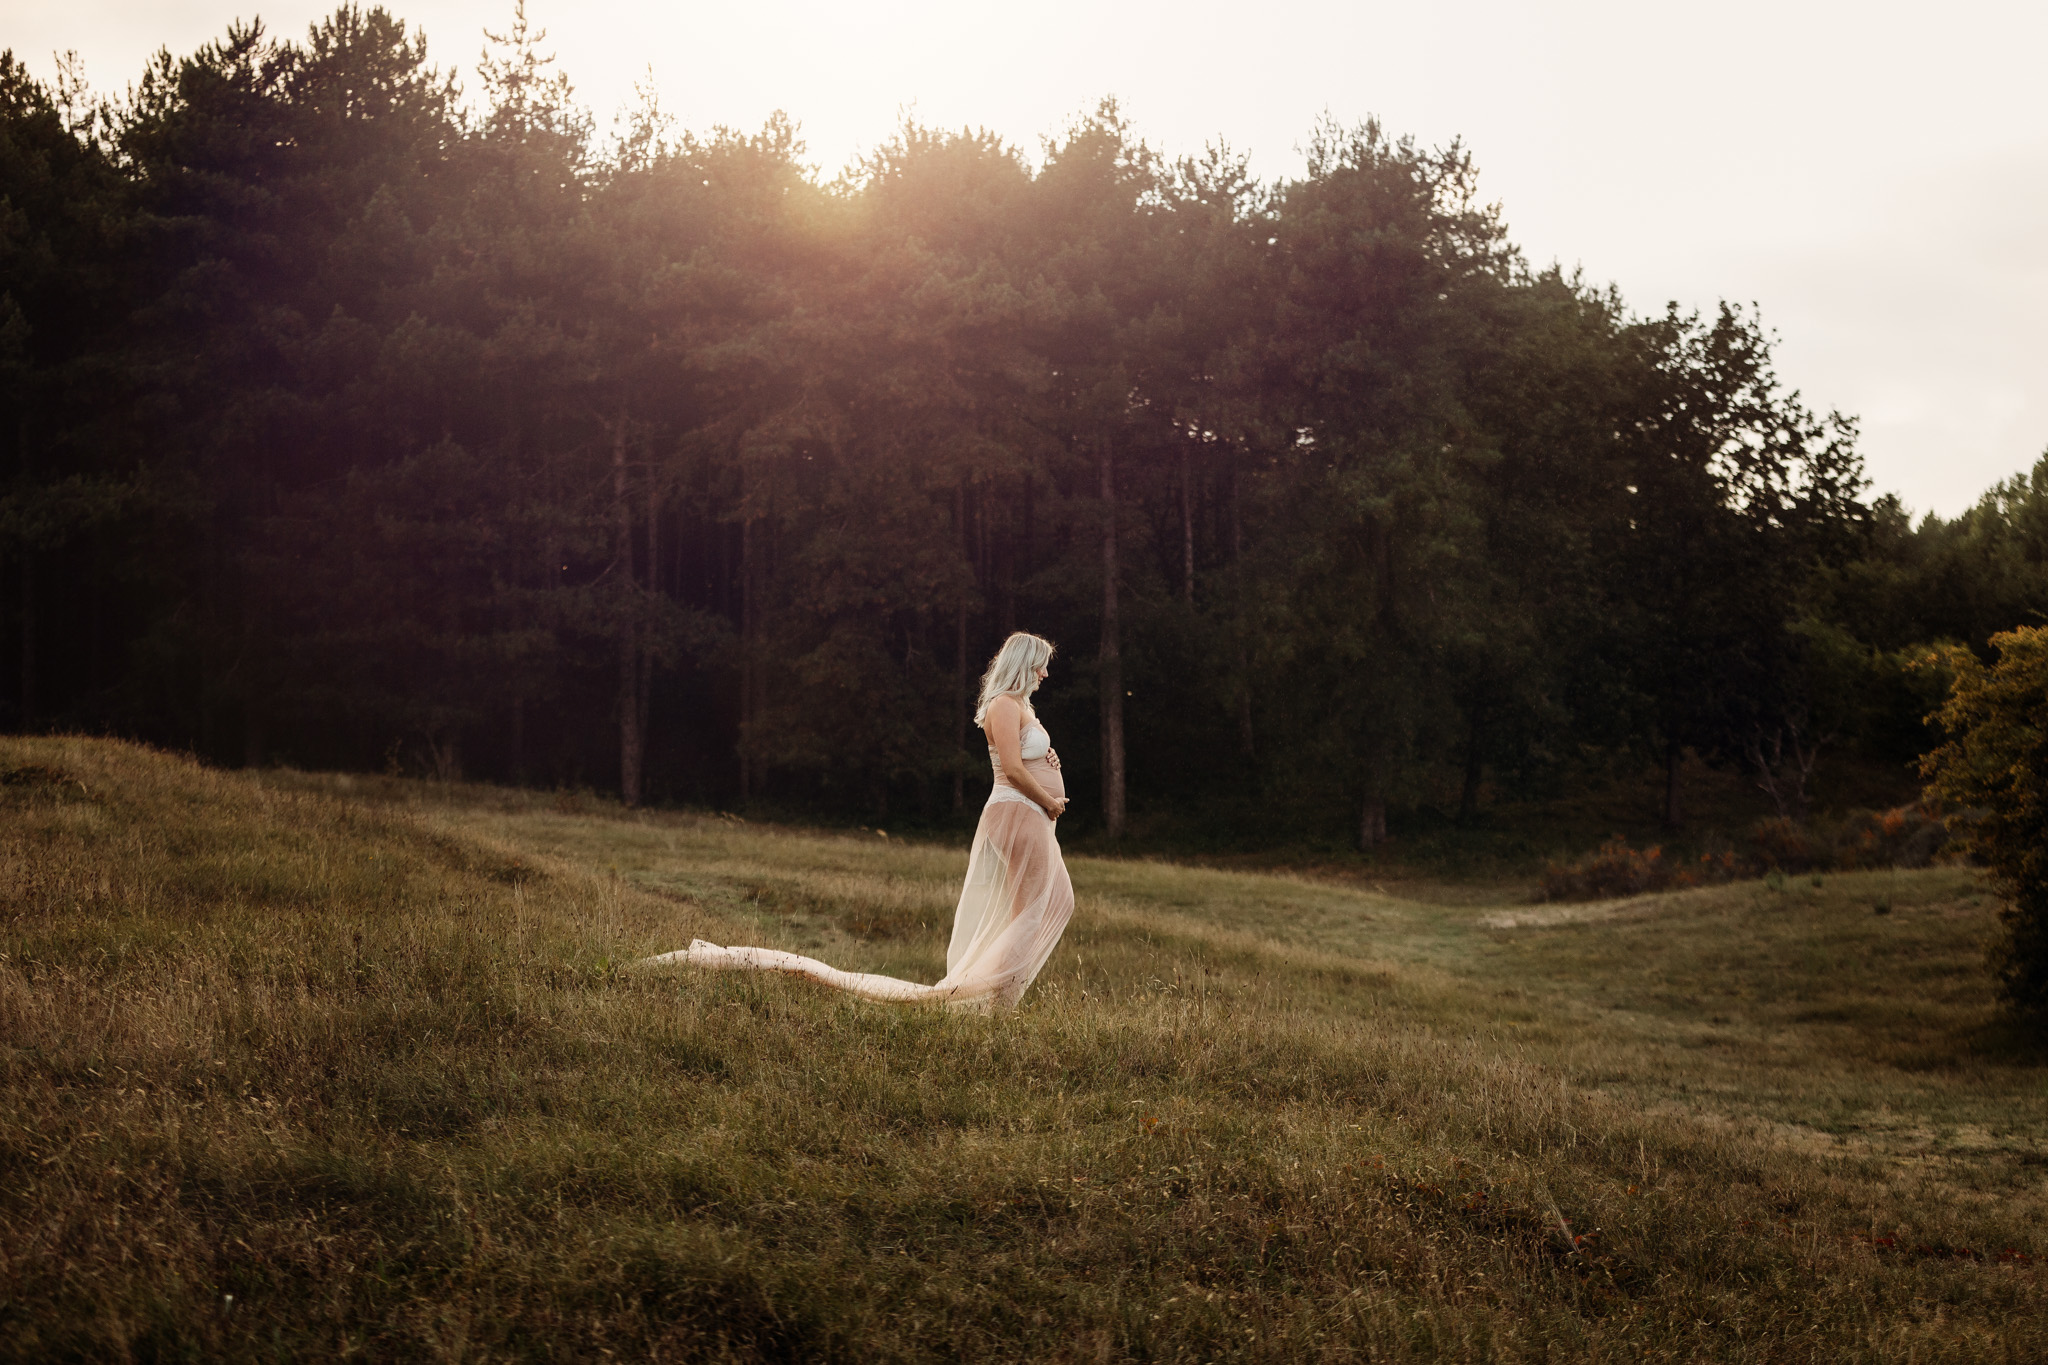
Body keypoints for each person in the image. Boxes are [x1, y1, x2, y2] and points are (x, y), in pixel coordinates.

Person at [644, 632, 1077, 1012]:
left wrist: (1047, 760)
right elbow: (1012, 769)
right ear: (1023, 663)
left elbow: (1027, 757)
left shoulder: (1021, 705)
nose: (1045, 673)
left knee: (1048, 903)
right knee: (1031, 910)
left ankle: (999, 998)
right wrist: (1048, 800)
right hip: (1020, 812)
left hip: (1032, 812)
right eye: (1041, 665)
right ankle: (995, 1004)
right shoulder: (1003, 704)